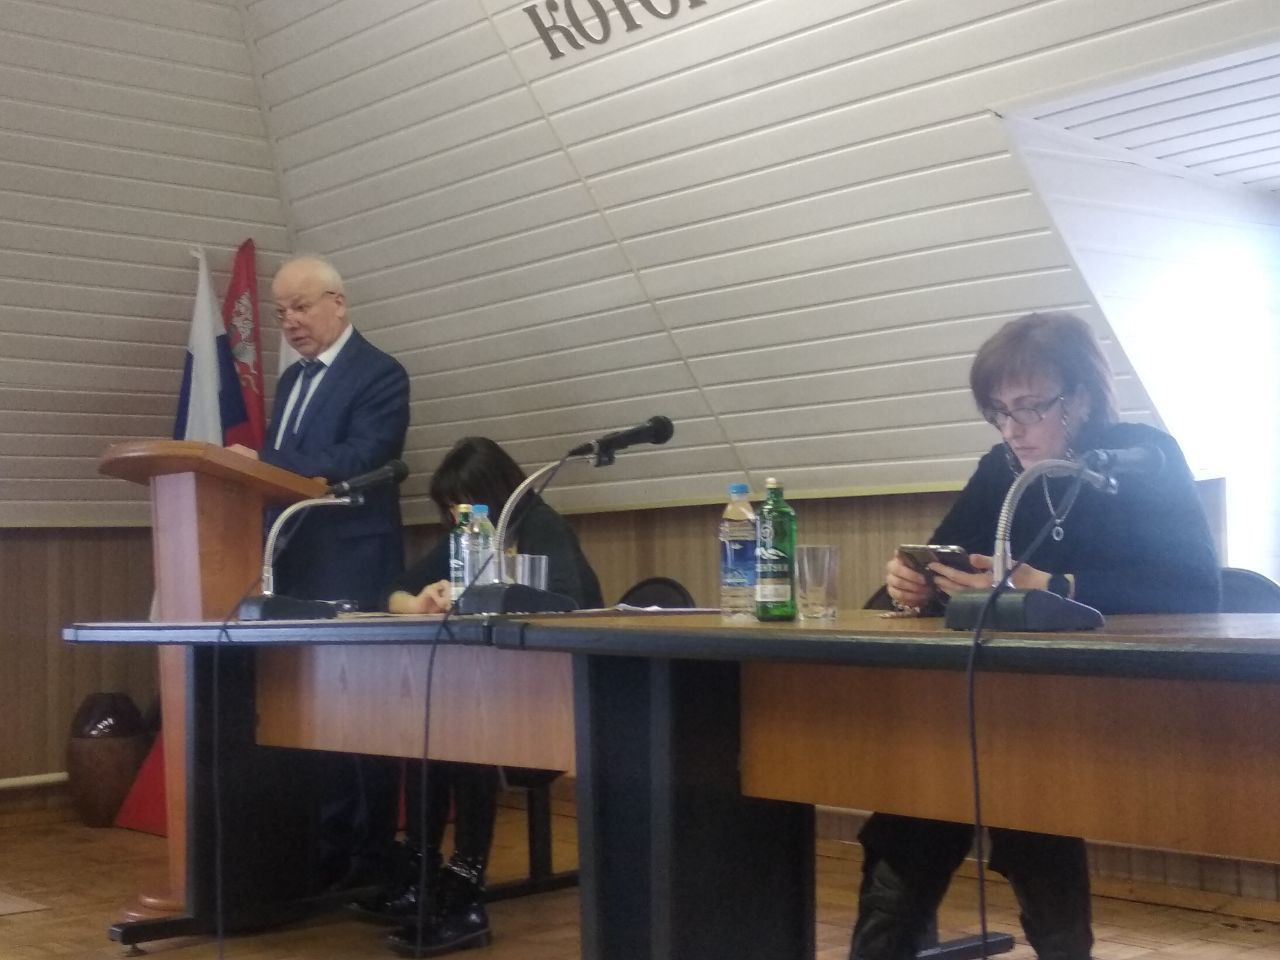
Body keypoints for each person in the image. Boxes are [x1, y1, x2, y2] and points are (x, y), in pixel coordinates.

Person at [853, 311, 1219, 960]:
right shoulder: (1002, 468)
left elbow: (1194, 590)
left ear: (1082, 398)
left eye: (1030, 407)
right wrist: (913, 586)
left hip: (1108, 704)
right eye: (999, 411)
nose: (1011, 429)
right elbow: (950, 558)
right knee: (922, 800)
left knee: (1021, 791)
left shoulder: (1143, 459)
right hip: (1002, 707)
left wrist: (1054, 584)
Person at [372, 436, 601, 958]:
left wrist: (482, 594)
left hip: (557, 697)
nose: (458, 518)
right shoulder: (468, 536)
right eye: (452, 509)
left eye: (465, 505)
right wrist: (420, 602)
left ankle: (465, 890)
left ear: (494, 494)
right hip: (495, 692)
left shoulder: (542, 527)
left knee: (464, 736)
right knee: (432, 730)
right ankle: (424, 877)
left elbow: (568, 605)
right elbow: (392, 590)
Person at [228, 253, 410, 892]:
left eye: (301, 307)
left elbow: (361, 456)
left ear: (338, 302)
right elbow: (292, 465)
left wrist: (264, 461)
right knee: (314, 714)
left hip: (354, 565)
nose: (290, 321)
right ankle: (325, 851)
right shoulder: (293, 381)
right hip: (295, 563)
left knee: (363, 716)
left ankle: (371, 854)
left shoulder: (380, 373)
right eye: (280, 311)